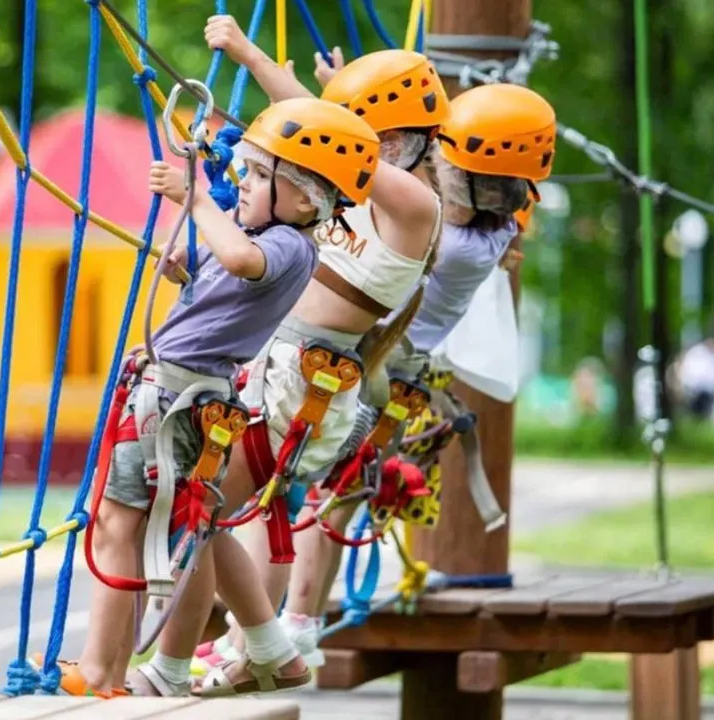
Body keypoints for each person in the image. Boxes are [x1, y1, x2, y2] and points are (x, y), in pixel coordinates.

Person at [138, 18, 450, 698]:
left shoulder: (415, 205)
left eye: (377, 134)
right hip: (271, 371)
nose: (368, 144)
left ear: (400, 141)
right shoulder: (353, 204)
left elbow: (316, 138)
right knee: (206, 513)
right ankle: (256, 646)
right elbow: (312, 136)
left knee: (199, 513)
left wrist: (256, 62)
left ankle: (208, 658)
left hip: (297, 387)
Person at [45, 97, 381, 699]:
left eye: (257, 175)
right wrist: (182, 264)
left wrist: (195, 199)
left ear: (304, 200)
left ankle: (101, 670)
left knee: (120, 523)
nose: (241, 183)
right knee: (138, 526)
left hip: (178, 394)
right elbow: (220, 266)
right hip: (171, 388)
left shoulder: (289, 248)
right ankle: (112, 670)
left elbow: (240, 259)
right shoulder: (262, 234)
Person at [258, 82, 559, 667]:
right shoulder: (492, 223)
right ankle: (299, 622)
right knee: (328, 496)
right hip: (387, 375)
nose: (437, 172)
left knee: (320, 498)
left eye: (448, 167)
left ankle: (290, 624)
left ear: (483, 186)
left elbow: (365, 176)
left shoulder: (456, 238)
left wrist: (349, 130)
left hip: (377, 376)